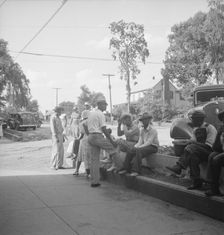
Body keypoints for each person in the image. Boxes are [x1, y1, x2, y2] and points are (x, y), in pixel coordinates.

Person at [167, 110, 217, 190]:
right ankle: (197, 182)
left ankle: (179, 166)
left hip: (209, 152)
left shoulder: (210, 128)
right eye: (192, 119)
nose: (192, 121)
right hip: (197, 151)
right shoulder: (195, 129)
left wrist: (192, 144)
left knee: (191, 147)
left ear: (200, 119)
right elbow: (192, 141)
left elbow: (209, 145)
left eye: (194, 119)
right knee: (193, 157)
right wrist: (187, 142)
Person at [87, 96, 118, 187]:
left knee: (94, 160)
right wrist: (111, 140)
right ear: (99, 105)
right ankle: (120, 167)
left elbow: (89, 126)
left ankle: (94, 181)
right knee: (113, 150)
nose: (106, 106)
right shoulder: (100, 114)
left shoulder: (91, 113)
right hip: (97, 136)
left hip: (91, 136)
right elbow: (103, 128)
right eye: (105, 105)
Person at [118, 112, 159, 176]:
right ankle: (126, 168)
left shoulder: (153, 130)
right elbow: (140, 140)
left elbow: (149, 142)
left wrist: (139, 147)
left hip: (153, 146)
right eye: (143, 120)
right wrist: (135, 146)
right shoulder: (142, 129)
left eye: (146, 119)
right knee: (131, 150)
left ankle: (136, 170)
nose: (144, 121)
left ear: (149, 120)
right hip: (145, 145)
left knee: (138, 150)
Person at [205, 110, 224, 196]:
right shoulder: (222, 129)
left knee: (217, 159)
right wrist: (219, 133)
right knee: (212, 155)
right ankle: (213, 187)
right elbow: (216, 147)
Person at [73, 110, 91, 177]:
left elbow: (81, 135)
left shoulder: (81, 123)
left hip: (83, 141)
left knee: (80, 156)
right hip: (90, 140)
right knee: (88, 157)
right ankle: (88, 172)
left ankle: (77, 170)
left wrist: (77, 139)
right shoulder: (90, 122)